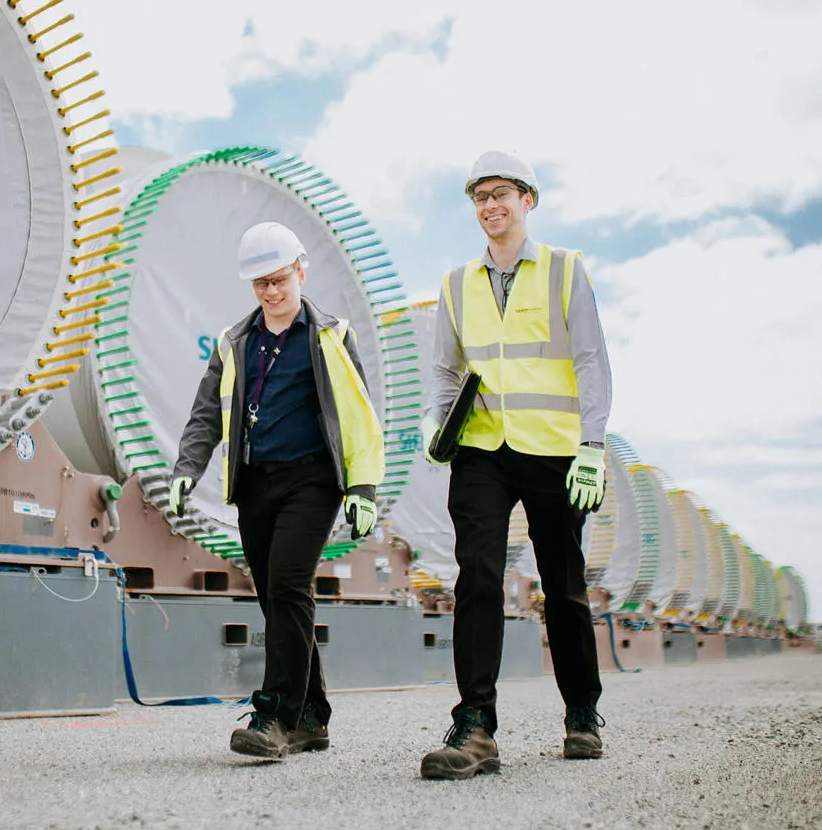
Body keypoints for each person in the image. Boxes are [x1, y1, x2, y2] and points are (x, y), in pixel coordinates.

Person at [418, 151, 612, 780]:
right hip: (482, 450)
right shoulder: (456, 284)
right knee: (476, 578)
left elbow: (590, 359)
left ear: (527, 199)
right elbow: (445, 367)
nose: (490, 205)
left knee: (563, 584)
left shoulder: (564, 269)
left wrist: (592, 445)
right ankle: (475, 725)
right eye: (480, 196)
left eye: (501, 193)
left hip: (553, 448)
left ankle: (581, 714)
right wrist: (435, 420)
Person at [171, 220, 384, 760]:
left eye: (280, 279)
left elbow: (358, 416)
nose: (271, 291)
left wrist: (362, 486)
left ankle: (275, 716)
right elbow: (206, 413)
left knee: (288, 586)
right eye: (261, 283)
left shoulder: (331, 336)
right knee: (277, 598)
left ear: (300, 271)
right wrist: (186, 468)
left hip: (312, 480)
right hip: (255, 483)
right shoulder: (235, 343)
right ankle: (312, 716)